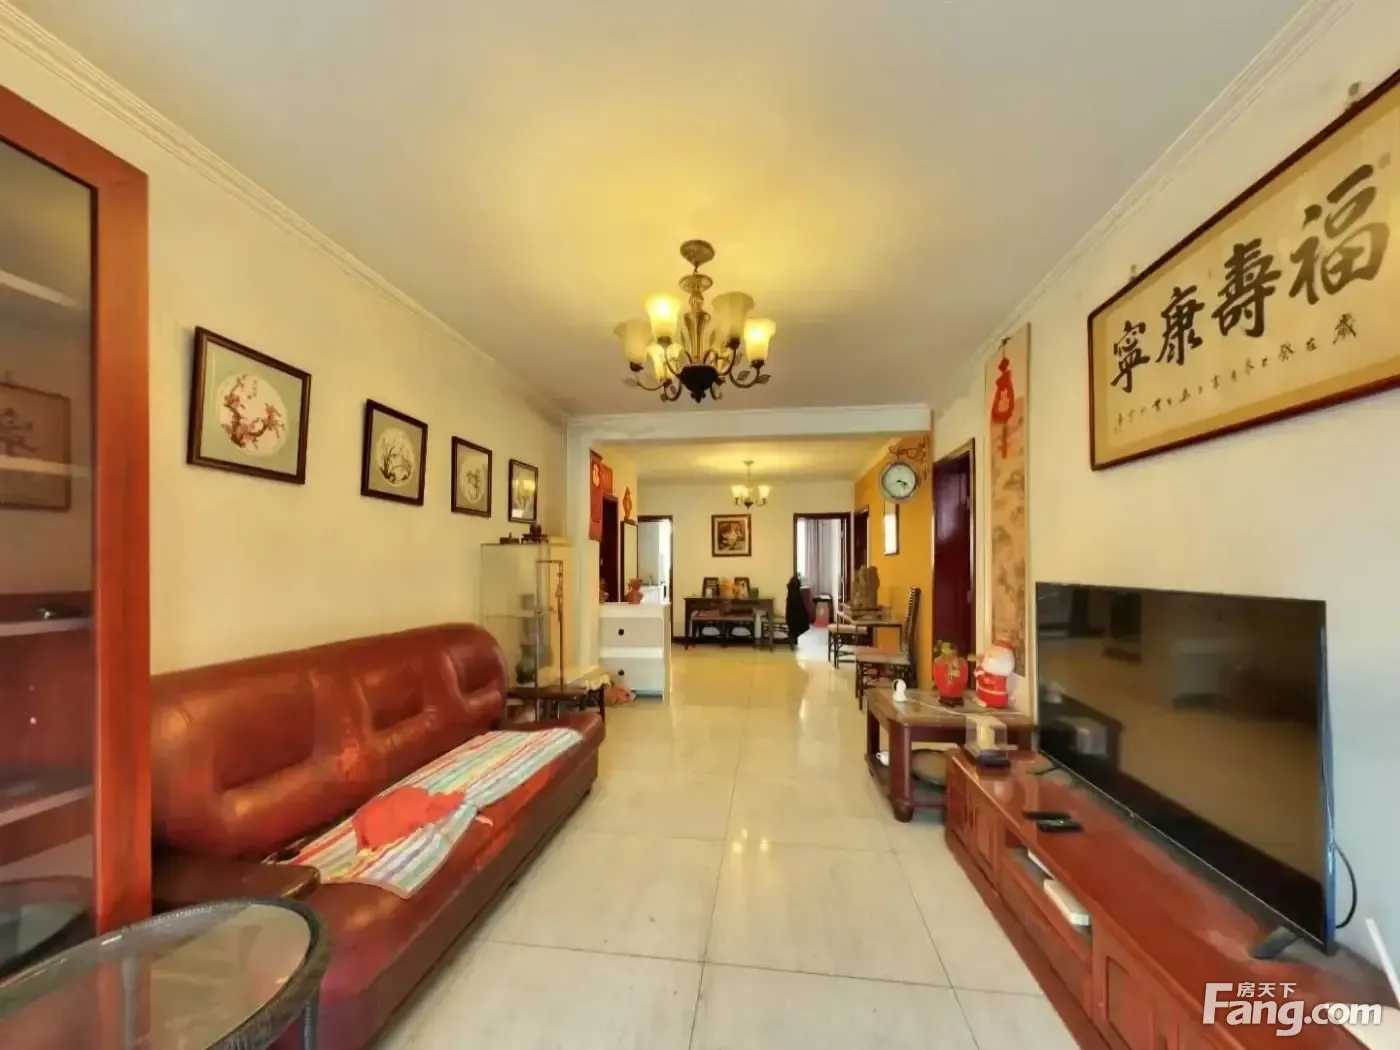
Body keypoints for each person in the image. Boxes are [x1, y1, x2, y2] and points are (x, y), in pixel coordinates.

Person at [785, 575, 811, 641]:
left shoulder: (789, 594)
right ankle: (796, 638)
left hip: (790, 618)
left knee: (794, 628)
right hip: (799, 620)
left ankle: (793, 637)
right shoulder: (798, 594)